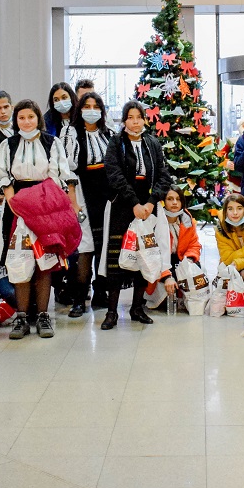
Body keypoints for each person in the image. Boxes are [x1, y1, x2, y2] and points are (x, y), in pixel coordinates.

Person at [0, 99, 78, 340]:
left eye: (30, 117)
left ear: (38, 118)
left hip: (45, 203)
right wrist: (13, 202)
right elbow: (3, 175)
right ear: (16, 120)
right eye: (21, 117)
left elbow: (58, 176)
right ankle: (21, 318)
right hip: (17, 206)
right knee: (19, 260)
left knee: (45, 261)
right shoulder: (8, 145)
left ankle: (43, 316)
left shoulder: (52, 143)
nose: (26, 121)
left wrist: (43, 205)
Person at [101, 102, 173, 330]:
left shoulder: (152, 143)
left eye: (138, 117)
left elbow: (164, 175)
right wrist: (134, 203)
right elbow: (114, 175)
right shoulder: (116, 142)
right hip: (123, 206)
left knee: (145, 254)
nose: (135, 122)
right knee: (117, 260)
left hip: (148, 207)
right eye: (130, 117)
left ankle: (137, 308)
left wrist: (151, 202)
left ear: (144, 119)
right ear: (124, 120)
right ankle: (111, 312)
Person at [63, 91, 113, 316]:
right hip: (83, 192)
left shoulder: (108, 133)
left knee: (104, 246)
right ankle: (79, 298)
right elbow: (68, 170)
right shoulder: (71, 133)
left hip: (106, 194)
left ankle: (101, 292)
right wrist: (73, 202)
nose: (91, 111)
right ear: (79, 109)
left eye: (96, 106)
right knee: (85, 248)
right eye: (87, 106)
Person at [162, 186, 202, 270]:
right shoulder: (155, 221)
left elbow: (194, 244)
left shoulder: (187, 219)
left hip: (183, 259)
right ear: (163, 202)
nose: (175, 202)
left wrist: (189, 259)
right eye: (170, 199)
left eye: (178, 199)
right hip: (161, 264)